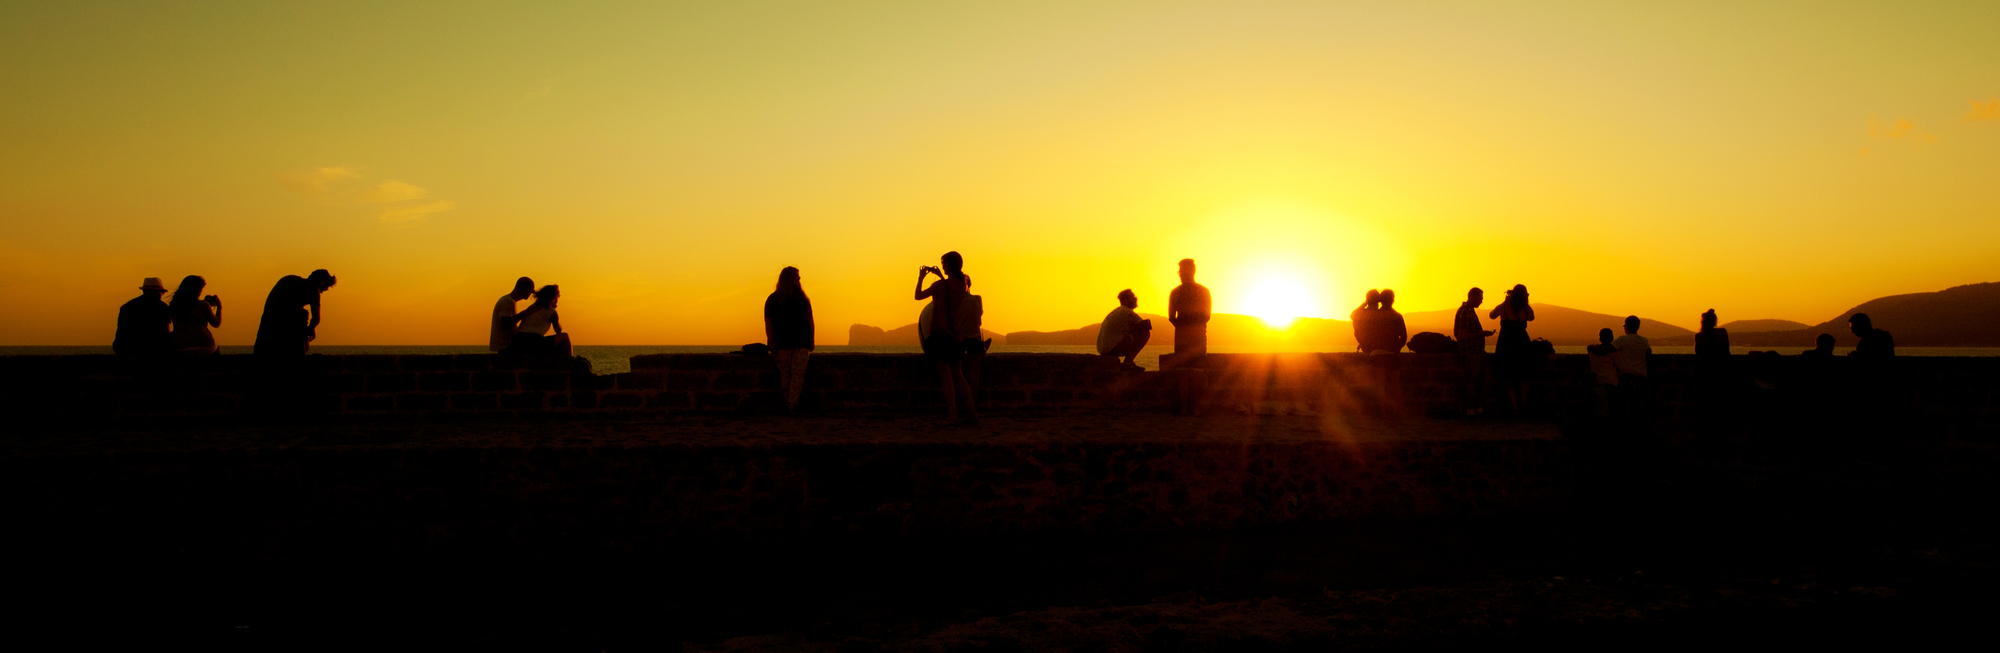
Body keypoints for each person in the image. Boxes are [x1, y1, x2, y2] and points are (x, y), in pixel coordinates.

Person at [916, 251, 978, 424]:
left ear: (948, 265)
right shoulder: (962, 283)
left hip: (941, 336)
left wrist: (921, 277)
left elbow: (918, 295)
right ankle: (972, 413)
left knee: (946, 377)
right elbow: (948, 289)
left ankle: (953, 415)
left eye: (943, 263)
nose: (942, 266)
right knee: (958, 375)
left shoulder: (940, 286)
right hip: (956, 336)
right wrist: (939, 276)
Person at [764, 267, 815, 414]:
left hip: (801, 341)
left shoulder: (802, 299)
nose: (799, 279)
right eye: (796, 277)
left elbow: (810, 320)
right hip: (782, 343)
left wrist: (811, 339)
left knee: (797, 374)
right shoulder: (773, 300)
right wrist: (771, 341)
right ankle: (789, 403)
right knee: (786, 374)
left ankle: (791, 404)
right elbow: (768, 322)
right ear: (788, 278)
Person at [1167, 258, 1212, 415]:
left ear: (1190, 271)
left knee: (1187, 373)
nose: (1180, 274)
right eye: (1180, 271)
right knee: (1192, 372)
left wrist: (1184, 325)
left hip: (1186, 335)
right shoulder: (1203, 291)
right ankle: (1192, 407)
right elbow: (1207, 315)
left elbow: (1172, 317)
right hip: (1196, 334)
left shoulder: (1176, 292)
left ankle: (1188, 407)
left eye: (1181, 271)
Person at [253, 270, 335, 356]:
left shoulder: (289, 279)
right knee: (303, 315)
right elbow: (316, 318)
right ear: (322, 283)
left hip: (266, 323)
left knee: (303, 313)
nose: (321, 292)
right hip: (285, 324)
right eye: (325, 288)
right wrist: (311, 328)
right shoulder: (313, 288)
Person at [1488, 284, 1536, 413]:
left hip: (1506, 344)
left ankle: (1515, 408)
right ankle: (1523, 408)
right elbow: (1531, 318)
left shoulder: (1503, 307)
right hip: (1522, 344)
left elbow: (1491, 315)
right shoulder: (1526, 309)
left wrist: (1505, 301)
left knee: (1507, 378)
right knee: (1523, 378)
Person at [1365, 289, 1410, 415]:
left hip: (1377, 354)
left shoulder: (1373, 316)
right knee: (1395, 386)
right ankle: (1400, 412)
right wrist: (1396, 349)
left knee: (1380, 386)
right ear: (1392, 300)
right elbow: (1404, 336)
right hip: (1392, 354)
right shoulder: (1396, 316)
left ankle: (1383, 412)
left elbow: (1368, 334)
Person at [1453, 287, 1496, 417]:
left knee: (1485, 379)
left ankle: (1478, 408)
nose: (1481, 302)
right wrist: (1481, 334)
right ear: (1472, 297)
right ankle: (1472, 409)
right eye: (1480, 299)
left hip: (1477, 352)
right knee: (1472, 381)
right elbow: (1461, 336)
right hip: (1471, 352)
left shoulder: (1470, 311)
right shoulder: (1464, 313)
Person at [114, 277, 172, 355]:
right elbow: (165, 334)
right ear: (159, 293)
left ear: (144, 291)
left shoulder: (127, 306)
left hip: (126, 348)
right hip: (153, 349)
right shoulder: (162, 308)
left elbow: (121, 332)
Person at [1095, 289, 1151, 369]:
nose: (1136, 298)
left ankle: (1127, 363)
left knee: (1136, 330)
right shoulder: (1127, 312)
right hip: (1112, 349)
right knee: (1145, 333)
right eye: (1133, 297)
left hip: (1102, 349)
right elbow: (1146, 327)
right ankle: (1127, 363)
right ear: (1126, 300)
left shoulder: (1116, 311)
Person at [168, 275, 222, 355]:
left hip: (180, 346)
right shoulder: (203, 305)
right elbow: (216, 323)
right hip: (204, 344)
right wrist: (219, 307)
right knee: (216, 348)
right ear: (196, 290)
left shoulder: (173, 305)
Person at [1612, 315, 1651, 420]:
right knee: (1640, 407)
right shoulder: (1644, 341)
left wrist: (1592, 347)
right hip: (1641, 379)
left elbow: (1608, 350)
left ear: (1626, 326)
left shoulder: (1622, 340)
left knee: (1626, 408)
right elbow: (1648, 353)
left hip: (1626, 379)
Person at [507, 285, 565, 355]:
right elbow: (558, 331)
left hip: (518, 341)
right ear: (553, 298)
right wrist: (554, 314)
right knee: (565, 336)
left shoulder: (532, 307)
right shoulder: (551, 312)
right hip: (534, 341)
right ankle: (570, 362)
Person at [491, 277, 535, 353]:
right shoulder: (508, 301)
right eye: (530, 291)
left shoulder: (509, 301)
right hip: (506, 346)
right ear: (526, 290)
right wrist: (525, 313)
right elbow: (505, 323)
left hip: (505, 346)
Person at [1586, 328, 1620, 417]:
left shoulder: (1592, 350)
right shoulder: (1614, 353)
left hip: (1596, 382)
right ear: (1612, 338)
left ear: (1600, 338)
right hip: (1612, 383)